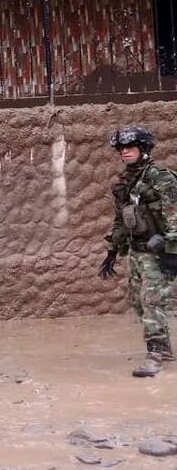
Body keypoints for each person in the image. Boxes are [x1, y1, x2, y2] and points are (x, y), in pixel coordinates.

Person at [100, 125, 177, 377]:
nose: (125, 152)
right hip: (136, 251)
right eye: (122, 149)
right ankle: (164, 349)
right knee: (137, 301)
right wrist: (112, 250)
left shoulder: (161, 178)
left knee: (151, 300)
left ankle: (154, 354)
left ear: (143, 149)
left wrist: (170, 248)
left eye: (130, 147)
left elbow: (174, 216)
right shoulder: (126, 182)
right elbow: (122, 219)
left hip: (159, 251)